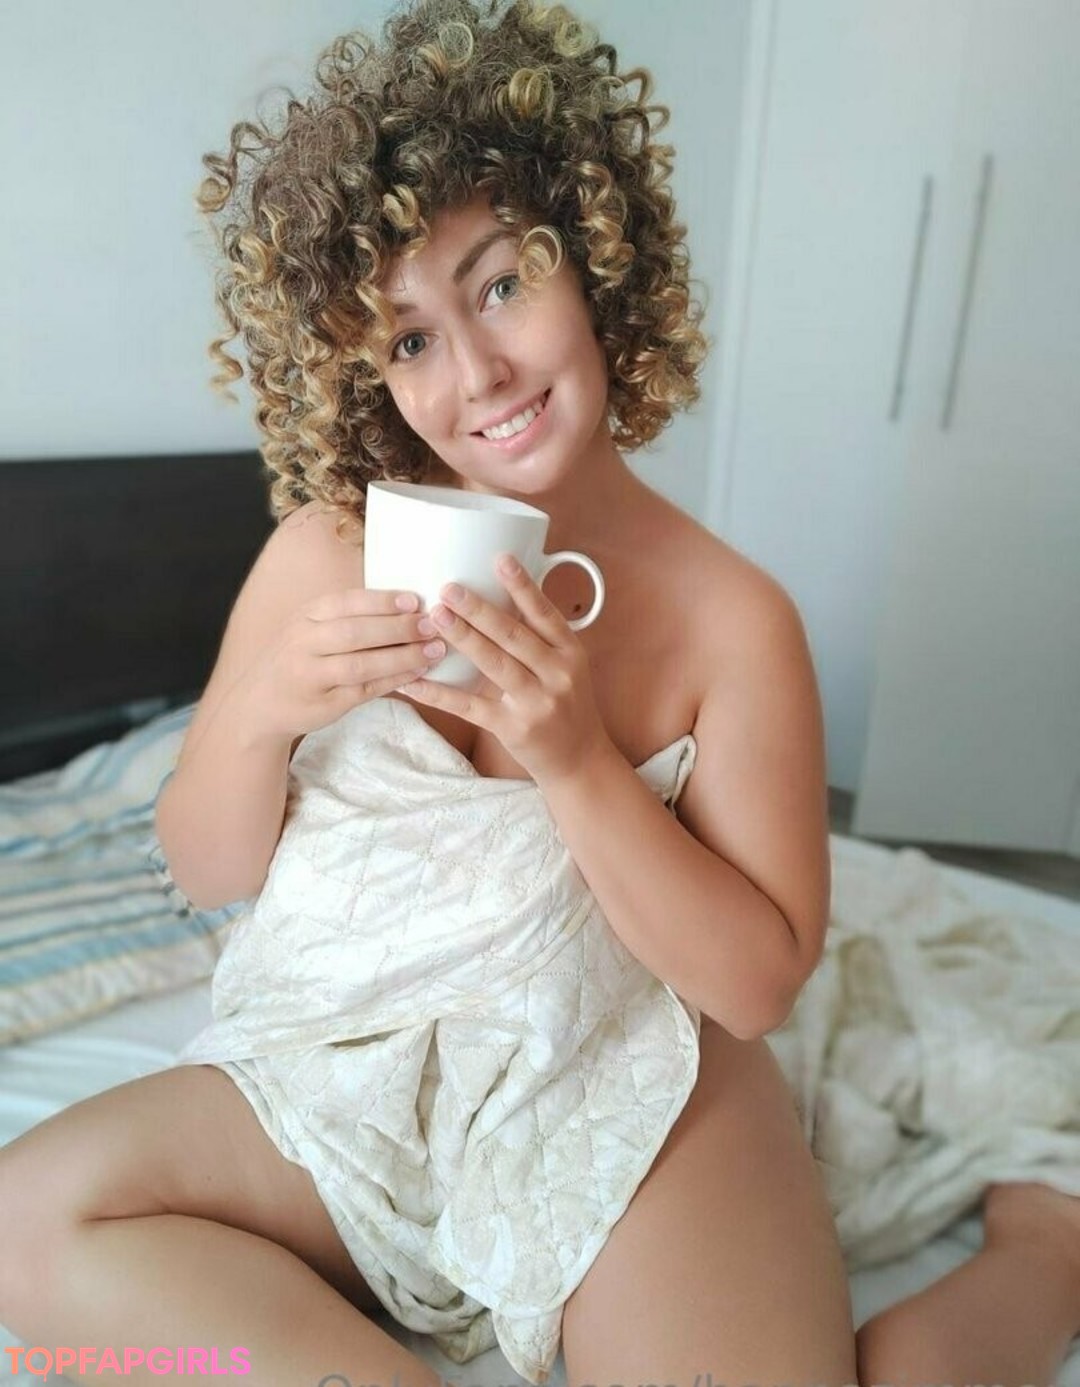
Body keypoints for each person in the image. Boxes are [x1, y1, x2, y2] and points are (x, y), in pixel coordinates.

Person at [2, 2, 1078, 1384]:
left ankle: (1051, 1253)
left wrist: (576, 763)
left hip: (620, 1080)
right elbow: (205, 869)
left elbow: (756, 986)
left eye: (503, 284)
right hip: (347, 1076)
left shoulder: (734, 621)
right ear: (365, 377)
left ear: (600, 263)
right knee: (27, 1224)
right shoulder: (323, 551)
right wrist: (259, 713)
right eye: (408, 341)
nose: (479, 374)